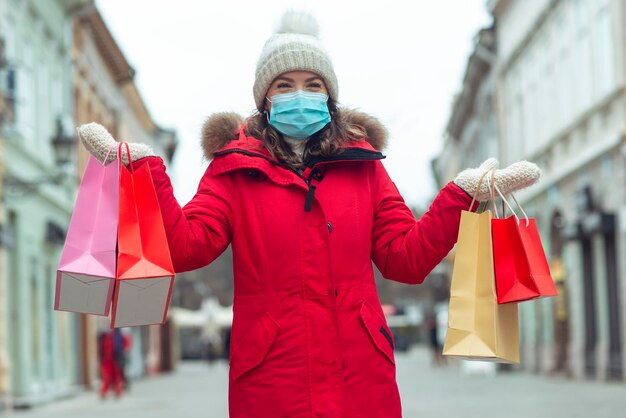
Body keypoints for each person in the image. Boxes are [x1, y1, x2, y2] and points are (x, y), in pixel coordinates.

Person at [77, 11, 540, 417]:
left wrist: (462, 194)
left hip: (361, 379)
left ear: (330, 95)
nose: (300, 94)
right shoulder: (232, 171)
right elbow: (184, 248)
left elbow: (408, 259)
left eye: (313, 84)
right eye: (285, 85)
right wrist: (145, 171)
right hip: (273, 382)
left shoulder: (364, 169)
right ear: (265, 98)